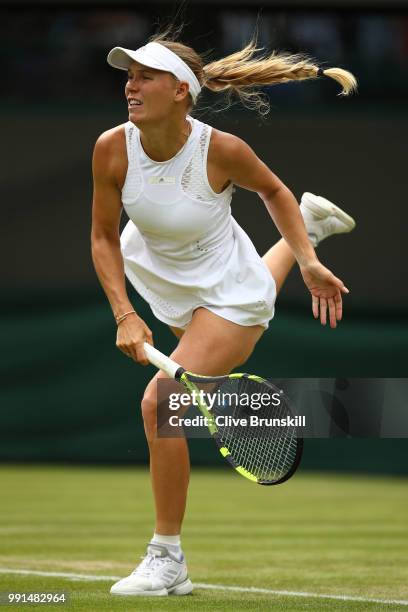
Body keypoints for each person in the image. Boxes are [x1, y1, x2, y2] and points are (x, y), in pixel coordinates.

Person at [91, 32, 357, 597]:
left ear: (181, 91)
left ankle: (167, 559)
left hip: (229, 292)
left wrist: (309, 265)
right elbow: (102, 237)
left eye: (146, 76)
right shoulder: (112, 148)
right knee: (181, 399)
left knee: (161, 403)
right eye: (128, 74)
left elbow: (273, 190)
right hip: (163, 279)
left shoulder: (221, 149)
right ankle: (309, 228)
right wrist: (123, 315)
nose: (130, 85)